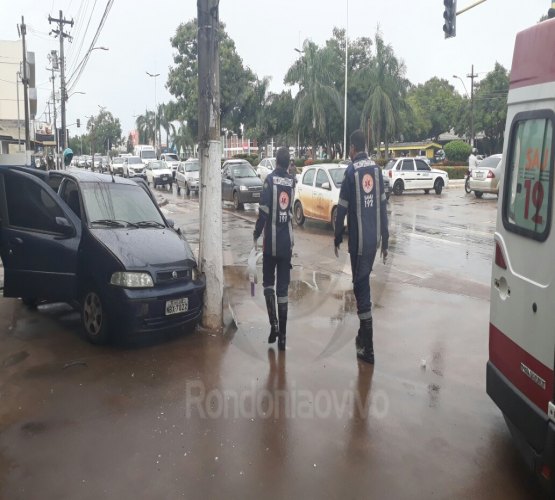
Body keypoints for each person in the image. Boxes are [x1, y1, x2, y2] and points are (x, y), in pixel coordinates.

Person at [334, 130, 389, 364]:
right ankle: (362, 336)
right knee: (362, 282)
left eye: (349, 149)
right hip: (373, 240)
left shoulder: (350, 172)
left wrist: (337, 236)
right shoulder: (377, 171)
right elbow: (383, 209)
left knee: (361, 289)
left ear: (353, 149)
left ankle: (369, 349)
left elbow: (342, 209)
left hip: (358, 243)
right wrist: (385, 240)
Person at [253, 147, 295, 351]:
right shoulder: (292, 182)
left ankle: (274, 325)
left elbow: (263, 213)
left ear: (276, 162)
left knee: (268, 284)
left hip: (270, 244)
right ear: (288, 164)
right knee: (283, 290)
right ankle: (284, 338)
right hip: (287, 244)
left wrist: (256, 233)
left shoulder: (269, 181)